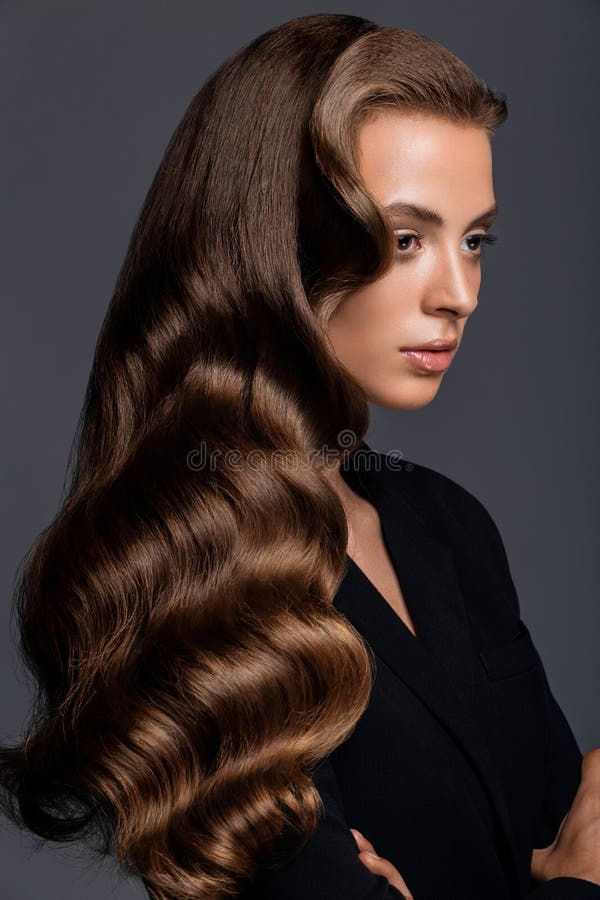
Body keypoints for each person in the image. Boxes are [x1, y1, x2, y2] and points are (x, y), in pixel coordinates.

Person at [1, 12, 598, 900]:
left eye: (474, 240)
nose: (461, 293)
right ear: (274, 244)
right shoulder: (188, 566)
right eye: (405, 239)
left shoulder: (445, 522)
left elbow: (572, 807)